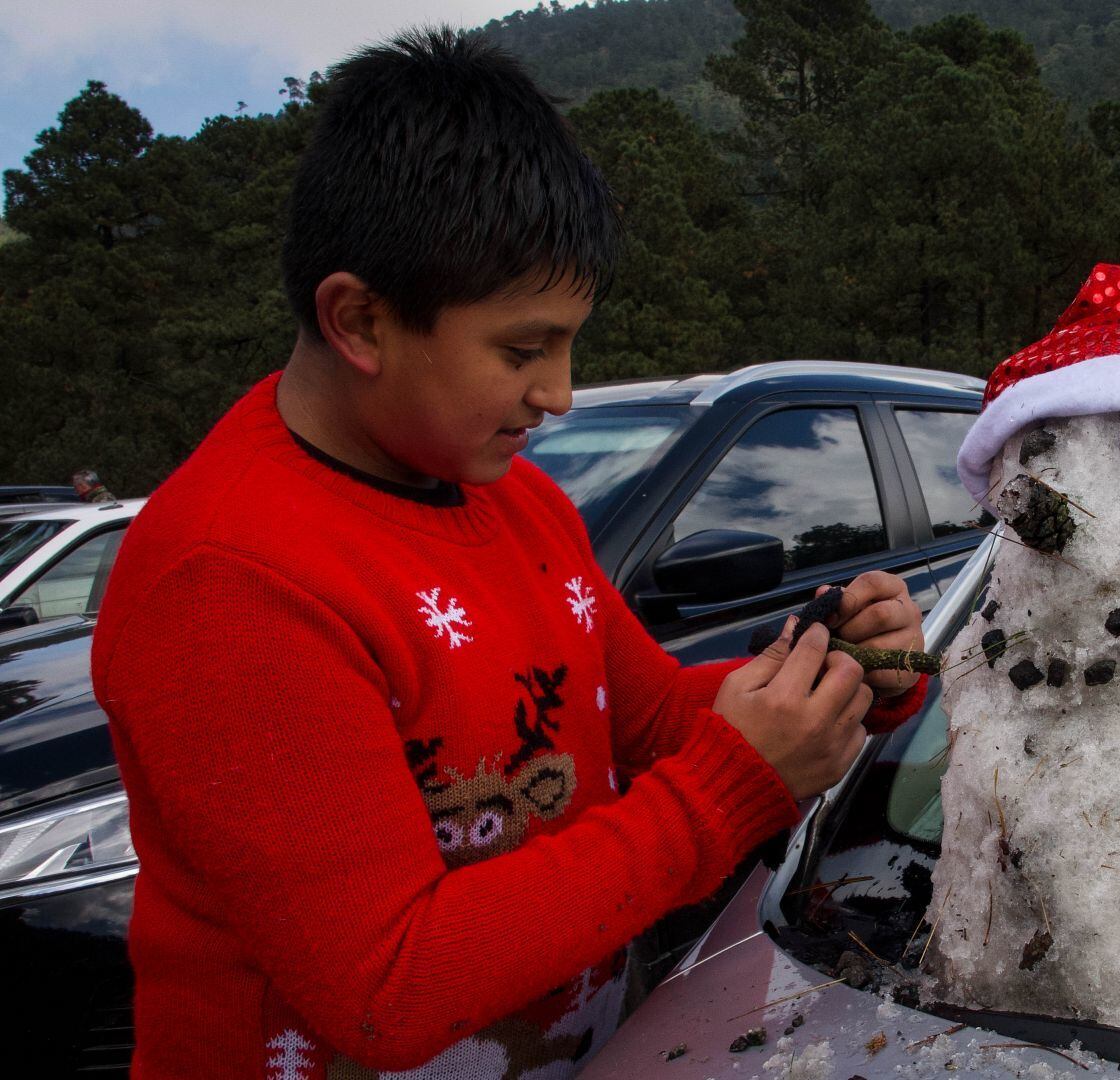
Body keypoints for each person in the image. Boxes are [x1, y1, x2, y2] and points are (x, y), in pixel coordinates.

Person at [89, 28, 927, 1079]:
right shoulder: (229, 583)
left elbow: (656, 721)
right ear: (359, 320)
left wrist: (838, 678)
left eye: (569, 344)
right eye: (523, 350)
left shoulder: (517, 502)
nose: (559, 394)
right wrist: (726, 793)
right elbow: (388, 989)